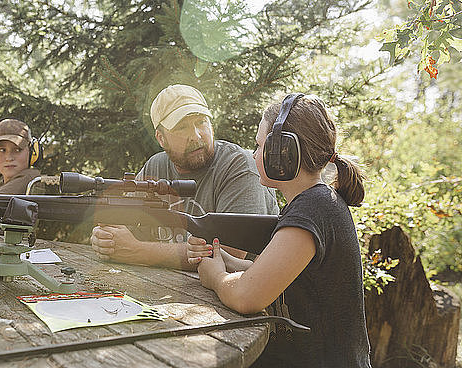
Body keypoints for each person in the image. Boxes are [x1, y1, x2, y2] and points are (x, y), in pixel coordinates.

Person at [187, 93, 371, 367]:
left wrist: (215, 277)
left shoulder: (313, 210)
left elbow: (245, 297)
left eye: (260, 145)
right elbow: (280, 276)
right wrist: (224, 260)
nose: (253, 154)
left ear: (281, 152)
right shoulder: (312, 204)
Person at [91, 84, 279, 269]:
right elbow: (124, 225)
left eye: (201, 122)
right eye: (182, 127)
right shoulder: (155, 167)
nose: (196, 136)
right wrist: (107, 239)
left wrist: (137, 251)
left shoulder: (239, 166)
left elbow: (232, 253)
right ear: (161, 138)